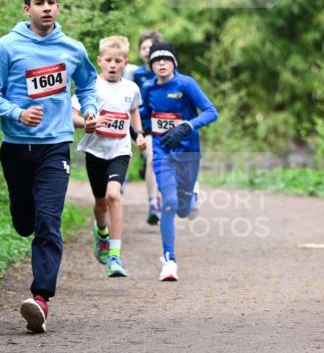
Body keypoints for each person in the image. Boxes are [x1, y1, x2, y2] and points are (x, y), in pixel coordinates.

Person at [0, 0, 98, 333]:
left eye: (51, 2)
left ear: (58, 7)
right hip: (16, 148)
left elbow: (87, 83)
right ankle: (23, 217)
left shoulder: (72, 49)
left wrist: (89, 108)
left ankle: (41, 298)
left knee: (48, 221)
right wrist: (17, 113)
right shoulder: (7, 47)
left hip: (55, 147)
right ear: (27, 9)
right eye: (39, 2)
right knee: (25, 222)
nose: (47, 8)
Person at [143, 41, 218, 281]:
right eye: (156, 60)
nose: (161, 64)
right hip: (162, 152)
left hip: (188, 154)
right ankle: (169, 260)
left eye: (166, 59)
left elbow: (211, 112)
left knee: (184, 210)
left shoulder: (186, 84)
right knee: (169, 203)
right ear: (151, 65)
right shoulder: (148, 87)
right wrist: (134, 128)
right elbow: (144, 115)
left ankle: (193, 194)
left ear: (174, 62)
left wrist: (186, 126)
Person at [73, 35, 146, 278]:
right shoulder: (90, 86)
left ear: (125, 62)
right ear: (99, 61)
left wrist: (139, 134)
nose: (113, 65)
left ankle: (115, 256)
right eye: (108, 60)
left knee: (114, 194)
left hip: (120, 150)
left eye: (118, 61)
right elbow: (72, 113)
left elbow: (133, 112)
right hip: (95, 150)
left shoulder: (131, 88)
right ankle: (101, 231)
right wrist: (86, 123)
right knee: (100, 202)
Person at [124, 30, 163, 225]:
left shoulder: (166, 72)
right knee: (151, 157)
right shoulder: (135, 73)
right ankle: (153, 204)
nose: (147, 51)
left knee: (156, 161)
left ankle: (159, 198)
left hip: (164, 126)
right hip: (141, 126)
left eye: (151, 47)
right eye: (143, 48)